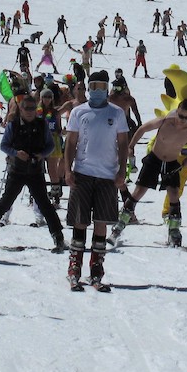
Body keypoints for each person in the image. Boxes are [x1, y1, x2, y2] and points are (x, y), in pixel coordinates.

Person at [62, 70, 129, 290]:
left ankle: (96, 271)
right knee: (80, 221)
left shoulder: (116, 113)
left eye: (102, 87)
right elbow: (71, 142)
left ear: (107, 88)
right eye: (94, 86)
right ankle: (74, 269)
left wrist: (121, 172)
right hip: (83, 172)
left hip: (107, 176)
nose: (98, 91)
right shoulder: (78, 112)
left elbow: (123, 144)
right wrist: (68, 169)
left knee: (101, 223)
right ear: (89, 88)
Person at [0, 94, 66, 250]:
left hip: (35, 171)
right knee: (6, 201)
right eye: (27, 108)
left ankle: (58, 236)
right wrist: (16, 153)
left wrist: (42, 154)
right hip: (17, 170)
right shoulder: (14, 125)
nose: (30, 111)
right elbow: (4, 145)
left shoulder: (42, 124)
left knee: (45, 204)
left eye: (33, 108)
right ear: (21, 109)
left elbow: (50, 145)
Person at [112, 101, 187, 248]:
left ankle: (174, 231)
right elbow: (142, 129)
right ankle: (119, 226)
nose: (182, 120)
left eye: (186, 117)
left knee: (174, 194)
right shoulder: (165, 121)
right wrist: (131, 146)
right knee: (139, 191)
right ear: (177, 111)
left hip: (172, 162)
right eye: (180, 116)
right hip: (155, 158)